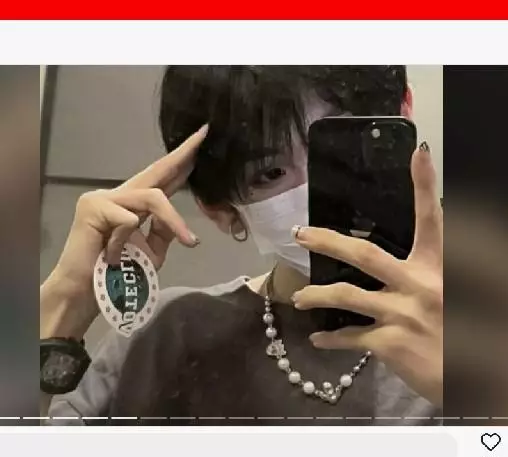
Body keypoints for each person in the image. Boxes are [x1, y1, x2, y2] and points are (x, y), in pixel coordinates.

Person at [41, 66, 442, 425]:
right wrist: (65, 303)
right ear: (220, 209)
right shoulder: (170, 336)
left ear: (404, 113)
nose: (319, 189)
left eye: (342, 141)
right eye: (271, 172)